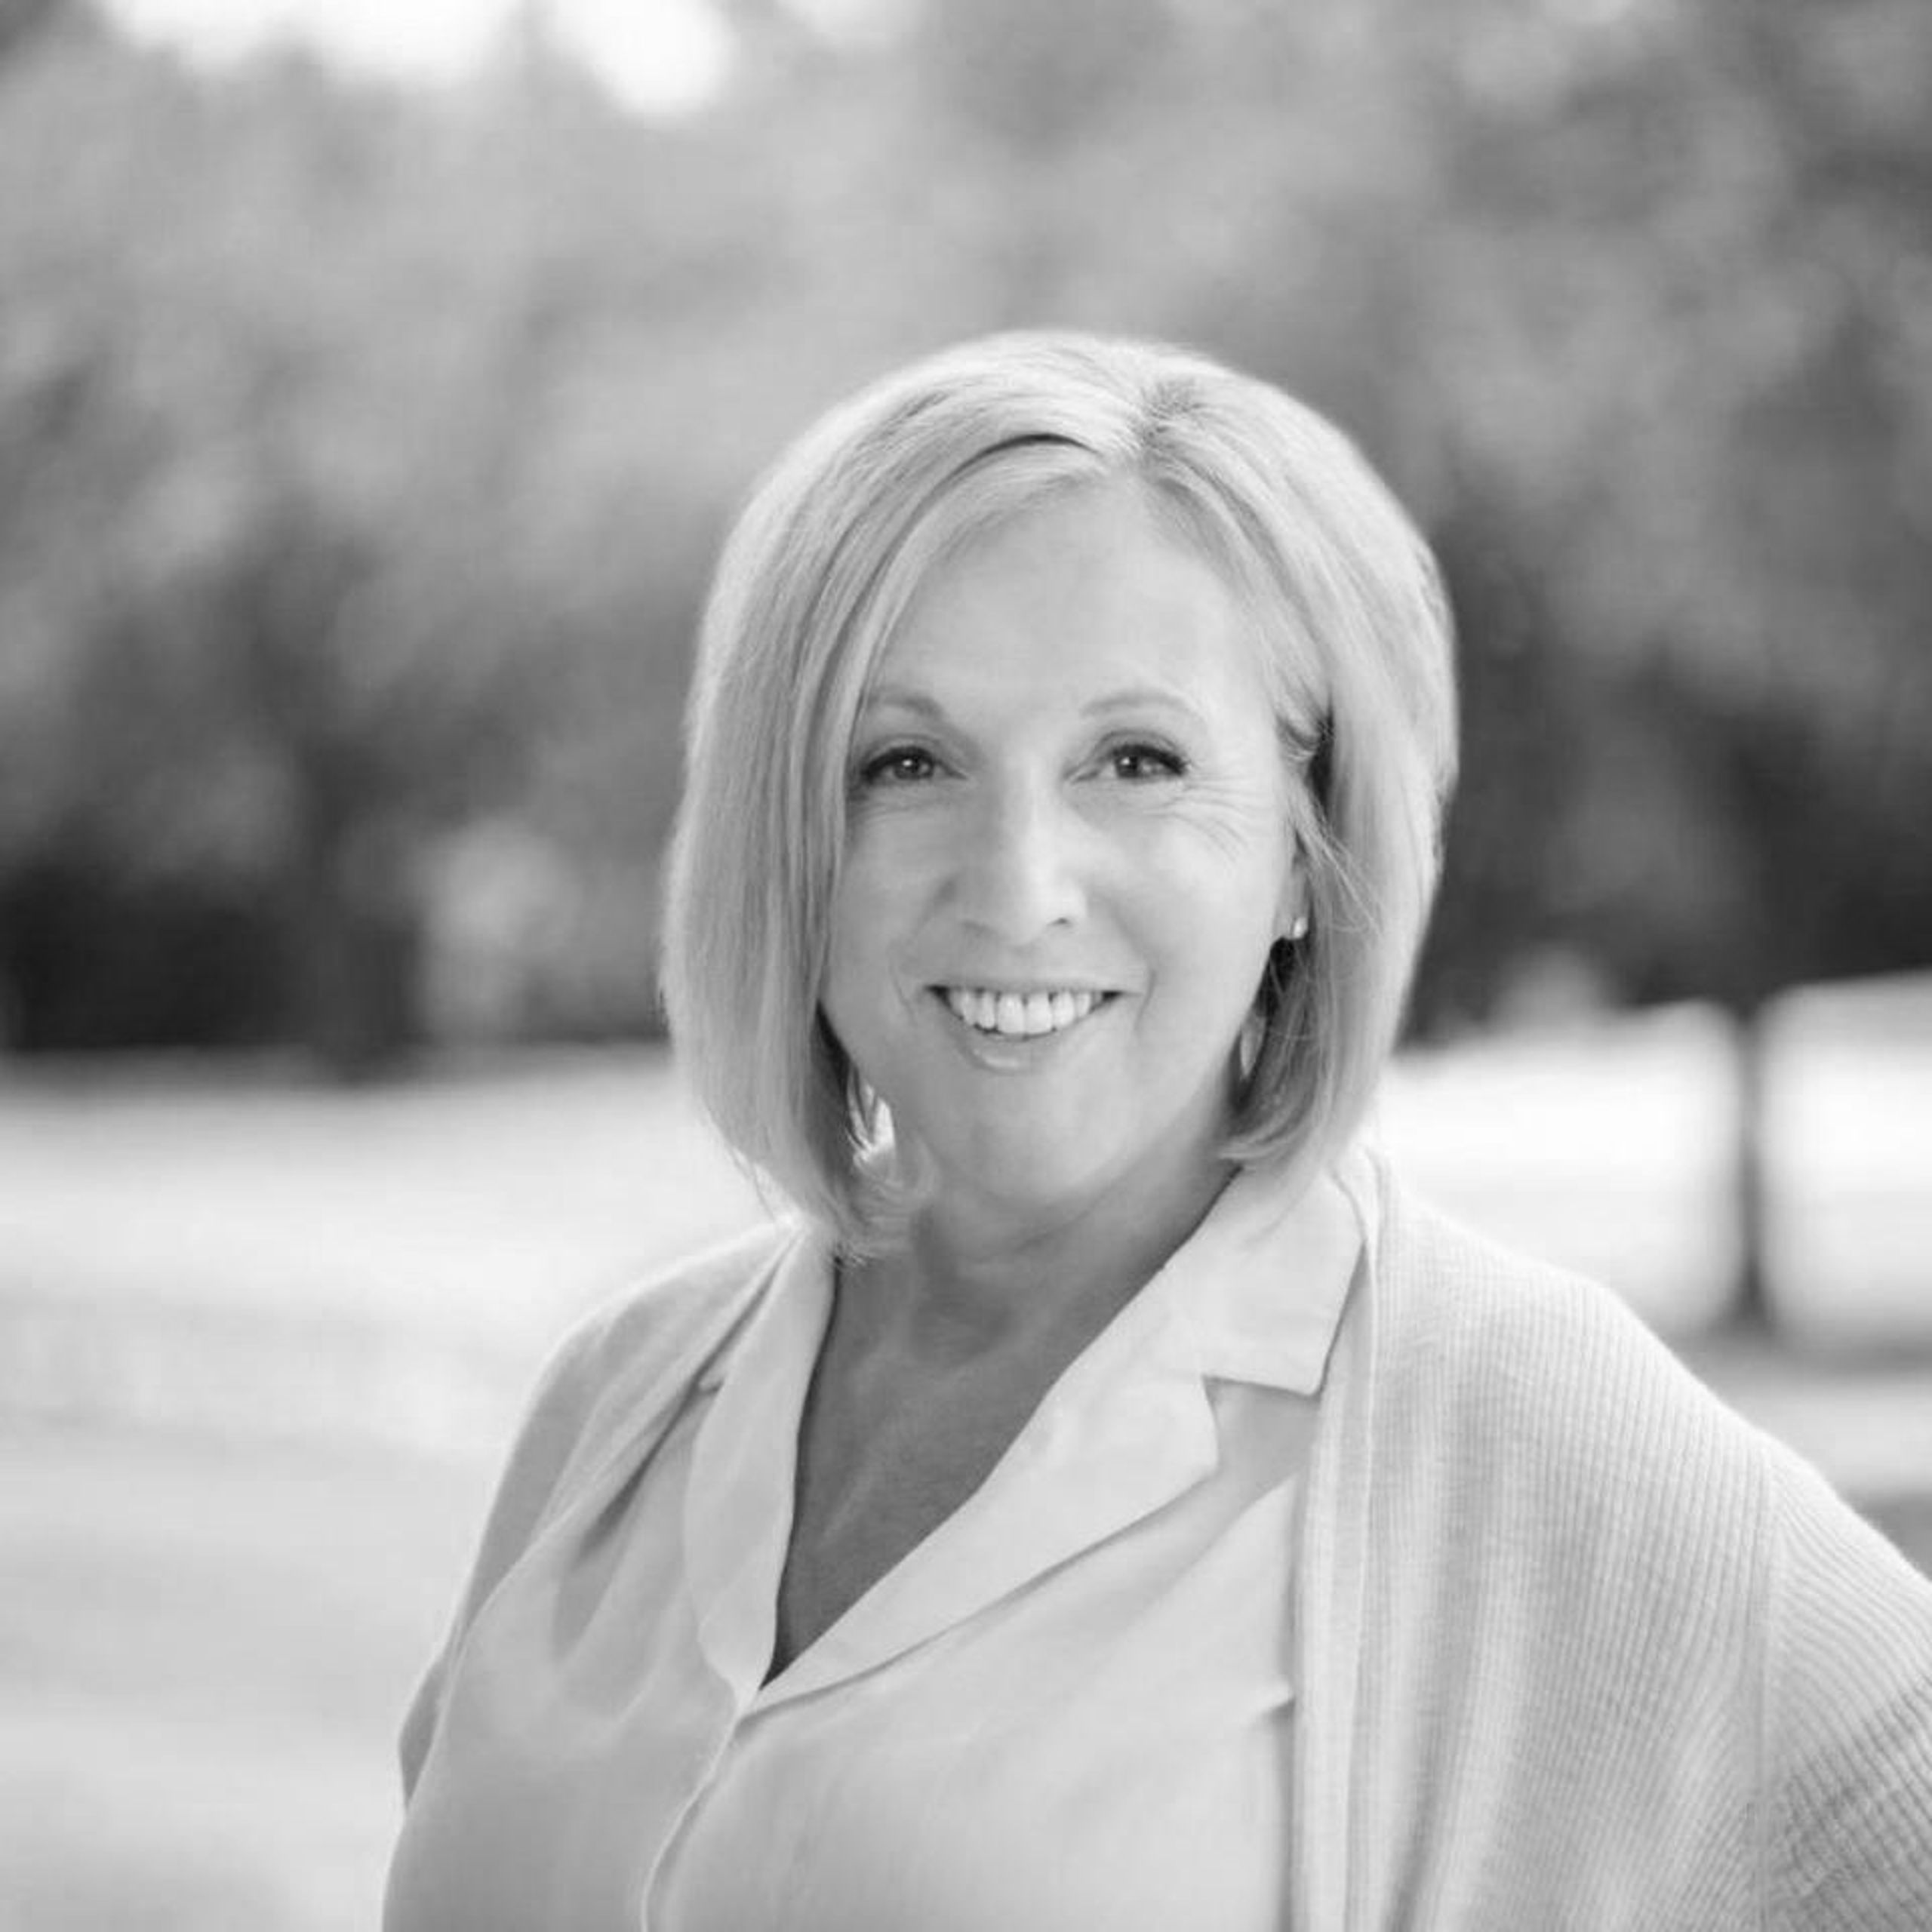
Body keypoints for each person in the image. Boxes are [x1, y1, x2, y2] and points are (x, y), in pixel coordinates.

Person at [383, 332, 1932, 1930]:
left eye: (1136, 760)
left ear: (1298, 855)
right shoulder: (623, 1400)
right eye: (903, 761)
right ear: (791, 839)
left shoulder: (1506, 1415)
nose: (1014, 882)